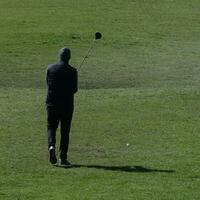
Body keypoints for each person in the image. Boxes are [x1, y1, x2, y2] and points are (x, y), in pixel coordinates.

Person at [46, 47, 78, 166]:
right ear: (69, 58)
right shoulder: (73, 71)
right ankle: (63, 158)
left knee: (51, 127)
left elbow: (48, 85)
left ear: (59, 56)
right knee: (65, 131)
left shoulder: (50, 68)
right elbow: (74, 90)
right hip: (67, 105)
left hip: (51, 103)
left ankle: (51, 146)